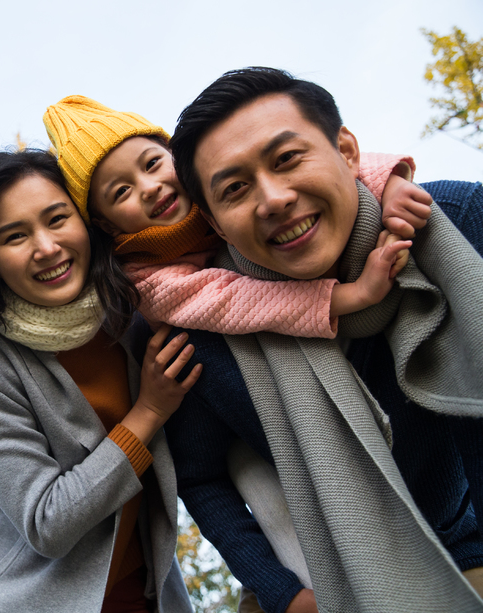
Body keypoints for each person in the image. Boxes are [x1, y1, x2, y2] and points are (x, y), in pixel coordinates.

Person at [164, 66, 483, 613]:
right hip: (340, 586)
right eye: (235, 189)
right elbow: (199, 475)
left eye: (287, 159)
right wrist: (279, 591)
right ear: (215, 225)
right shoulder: (209, 336)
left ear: (348, 151)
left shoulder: (457, 223)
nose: (274, 199)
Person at [0, 148, 201, 612]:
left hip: (148, 594)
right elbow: (47, 523)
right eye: (15, 236)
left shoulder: (136, 310)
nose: (46, 247)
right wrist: (150, 412)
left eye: (57, 219)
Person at [42, 95, 429, 339]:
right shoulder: (145, 278)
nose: (149, 187)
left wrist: (390, 183)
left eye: (153, 163)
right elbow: (235, 301)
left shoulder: (218, 188)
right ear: (108, 225)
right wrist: (352, 296)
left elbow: (322, 168)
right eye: (122, 191)